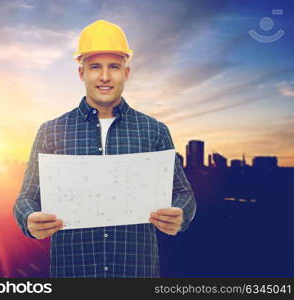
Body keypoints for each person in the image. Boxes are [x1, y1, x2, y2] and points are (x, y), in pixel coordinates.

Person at [13, 19, 196, 278]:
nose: (105, 76)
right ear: (81, 73)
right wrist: (29, 219)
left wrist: (181, 214)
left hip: (136, 274)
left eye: (114, 67)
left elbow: (183, 192)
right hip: (73, 274)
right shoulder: (51, 131)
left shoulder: (154, 131)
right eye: (95, 67)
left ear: (127, 72)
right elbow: (26, 198)